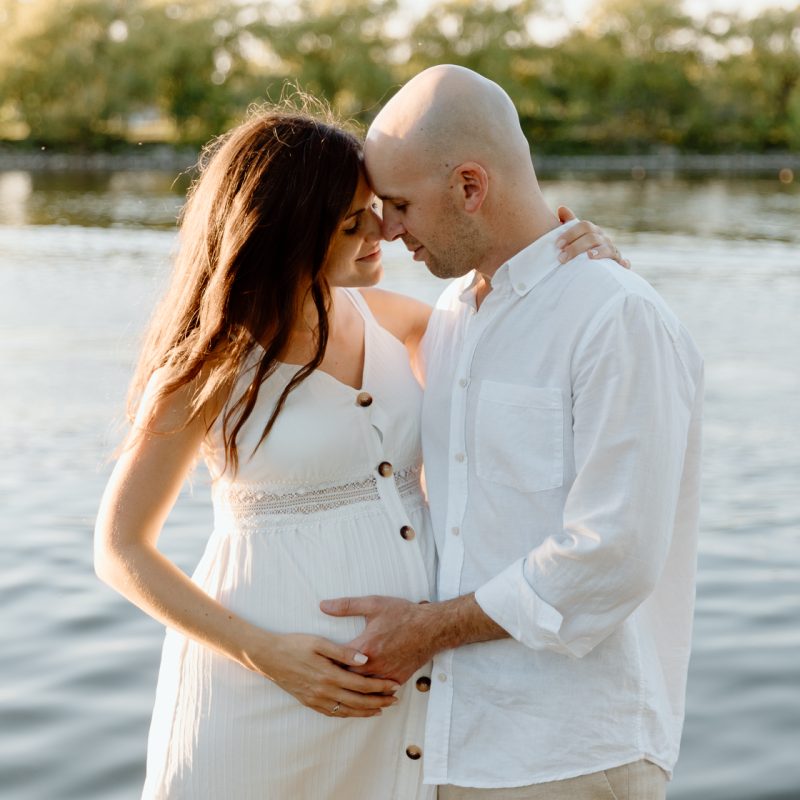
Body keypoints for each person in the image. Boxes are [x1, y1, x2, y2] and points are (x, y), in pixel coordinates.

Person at [93, 99, 625, 799]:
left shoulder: (393, 320)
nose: (383, 230)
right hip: (261, 689)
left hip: (396, 694)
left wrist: (575, 255)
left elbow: (511, 318)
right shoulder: (209, 368)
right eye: (351, 223)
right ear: (286, 235)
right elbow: (121, 549)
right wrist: (268, 654)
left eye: (374, 207)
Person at [321, 66, 704, 799]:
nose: (386, 230)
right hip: (445, 747)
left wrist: (425, 630)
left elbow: (612, 554)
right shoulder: (453, 314)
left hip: (572, 755)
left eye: (399, 205)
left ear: (471, 186)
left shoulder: (615, 316)